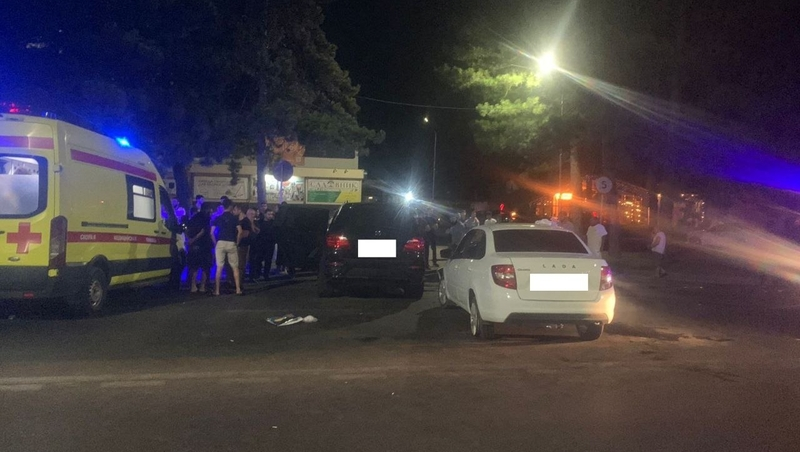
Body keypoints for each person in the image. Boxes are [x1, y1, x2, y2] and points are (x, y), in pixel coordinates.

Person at [211, 199, 243, 295]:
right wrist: (237, 242)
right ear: (230, 207)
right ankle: (238, 289)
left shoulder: (218, 218)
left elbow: (211, 233)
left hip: (220, 243)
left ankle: (217, 290)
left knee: (219, 267)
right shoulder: (234, 218)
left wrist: (215, 243)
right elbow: (240, 231)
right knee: (235, 267)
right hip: (231, 243)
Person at [186, 204, 213, 293]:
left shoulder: (193, 218)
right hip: (204, 245)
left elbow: (186, 230)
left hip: (194, 246)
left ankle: (193, 286)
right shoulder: (206, 219)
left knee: (194, 267)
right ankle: (202, 286)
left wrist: (190, 240)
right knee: (205, 267)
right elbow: (203, 231)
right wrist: (194, 239)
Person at [250, 208, 277, 280]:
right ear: (265, 214)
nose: (270, 216)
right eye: (268, 214)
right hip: (261, 243)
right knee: (259, 259)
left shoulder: (273, 223)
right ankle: (258, 274)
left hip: (270, 244)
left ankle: (266, 275)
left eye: (271, 214)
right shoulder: (260, 222)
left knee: (268, 260)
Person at [238, 207, 258, 283]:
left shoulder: (253, 222)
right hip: (245, 245)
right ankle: (241, 279)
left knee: (251, 261)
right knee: (242, 262)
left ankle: (250, 277)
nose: (252, 215)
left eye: (253, 214)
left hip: (252, 245)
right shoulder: (244, 222)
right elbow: (244, 234)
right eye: (251, 214)